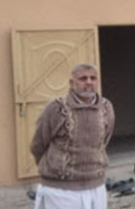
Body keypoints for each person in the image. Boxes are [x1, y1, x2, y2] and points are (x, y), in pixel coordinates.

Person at [30, 64, 115, 209]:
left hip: (96, 187)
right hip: (61, 191)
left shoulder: (106, 107)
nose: (89, 82)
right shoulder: (56, 108)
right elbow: (38, 145)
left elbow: (104, 141)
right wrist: (54, 167)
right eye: (83, 78)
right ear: (72, 83)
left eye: (93, 78)